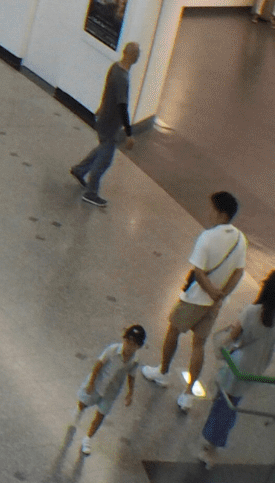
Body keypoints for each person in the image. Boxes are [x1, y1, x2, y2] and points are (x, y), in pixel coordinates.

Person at [138, 194, 249, 408]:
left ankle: (162, 372)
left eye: (212, 209)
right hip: (214, 306)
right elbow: (238, 273)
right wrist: (221, 296)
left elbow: (198, 273)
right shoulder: (239, 239)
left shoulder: (207, 237)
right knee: (199, 344)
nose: (209, 213)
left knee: (173, 330)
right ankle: (188, 394)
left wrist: (211, 292)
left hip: (195, 299)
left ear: (221, 213)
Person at [197, 275, 275, 466]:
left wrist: (221, 347)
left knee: (224, 405)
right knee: (231, 404)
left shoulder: (252, 312)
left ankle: (212, 448)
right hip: (255, 370)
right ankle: (213, 444)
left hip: (237, 366)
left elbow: (232, 337)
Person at [69, 40, 142, 208]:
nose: (138, 56)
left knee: (102, 149)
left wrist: (102, 105)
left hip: (104, 120)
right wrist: (129, 133)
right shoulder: (122, 78)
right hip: (110, 124)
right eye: (137, 54)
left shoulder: (115, 68)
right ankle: (91, 192)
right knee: (105, 159)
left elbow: (107, 89)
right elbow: (123, 107)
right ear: (132, 56)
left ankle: (80, 170)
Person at [70, 323, 148, 457]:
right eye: (128, 341)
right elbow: (98, 365)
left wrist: (130, 393)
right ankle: (79, 411)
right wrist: (91, 382)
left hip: (111, 392)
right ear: (124, 339)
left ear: (138, 346)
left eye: (133, 344)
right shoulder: (112, 350)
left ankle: (88, 439)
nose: (129, 346)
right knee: (84, 402)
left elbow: (132, 375)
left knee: (101, 414)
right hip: (97, 385)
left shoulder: (135, 360)